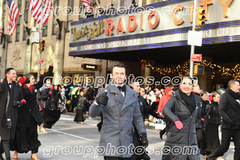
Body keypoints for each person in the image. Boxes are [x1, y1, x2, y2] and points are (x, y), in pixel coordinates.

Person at [89, 64, 147, 160]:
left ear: (125, 76)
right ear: (111, 76)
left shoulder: (132, 93)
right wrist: (97, 102)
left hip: (127, 140)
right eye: (116, 73)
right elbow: (92, 113)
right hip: (110, 140)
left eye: (122, 73)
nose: (119, 76)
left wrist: (142, 133)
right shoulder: (104, 92)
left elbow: (137, 116)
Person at [11, 64, 53, 160]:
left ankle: (33, 154)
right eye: (32, 78)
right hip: (22, 116)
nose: (34, 80)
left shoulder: (34, 88)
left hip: (32, 116)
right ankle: (16, 152)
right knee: (20, 135)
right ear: (27, 80)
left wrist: (51, 68)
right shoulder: (20, 88)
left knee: (33, 135)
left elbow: (43, 79)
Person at [162, 76, 200, 160]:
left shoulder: (195, 100)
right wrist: (175, 120)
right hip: (177, 138)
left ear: (192, 87)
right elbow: (165, 109)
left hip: (191, 138)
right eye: (184, 83)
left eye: (189, 84)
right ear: (180, 85)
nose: (187, 86)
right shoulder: (175, 98)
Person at [207, 80, 240, 160]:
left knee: (239, 148)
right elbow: (221, 110)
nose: (239, 87)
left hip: (238, 126)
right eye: (238, 85)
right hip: (228, 126)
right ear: (232, 86)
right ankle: (210, 158)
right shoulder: (225, 96)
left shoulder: (239, 96)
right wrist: (229, 121)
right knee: (224, 148)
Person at [131, 81, 163, 160]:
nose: (139, 87)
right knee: (136, 146)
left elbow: (147, 109)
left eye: (139, 86)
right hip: (131, 126)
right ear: (132, 88)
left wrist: (154, 107)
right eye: (137, 86)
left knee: (143, 144)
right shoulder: (128, 98)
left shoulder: (141, 99)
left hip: (140, 126)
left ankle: (141, 156)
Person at [0, 68, 25, 160]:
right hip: (2, 116)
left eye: (15, 74)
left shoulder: (18, 86)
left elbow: (22, 100)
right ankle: (7, 158)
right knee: (5, 138)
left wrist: (18, 103)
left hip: (13, 115)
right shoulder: (1, 86)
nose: (15, 75)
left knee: (9, 137)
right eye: (13, 74)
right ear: (7, 74)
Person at [205, 92, 222, 159]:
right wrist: (205, 124)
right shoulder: (210, 105)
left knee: (215, 139)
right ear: (214, 98)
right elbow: (206, 115)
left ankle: (215, 153)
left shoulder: (219, 105)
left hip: (216, 124)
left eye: (219, 97)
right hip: (210, 124)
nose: (219, 98)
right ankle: (213, 153)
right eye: (218, 97)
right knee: (212, 139)